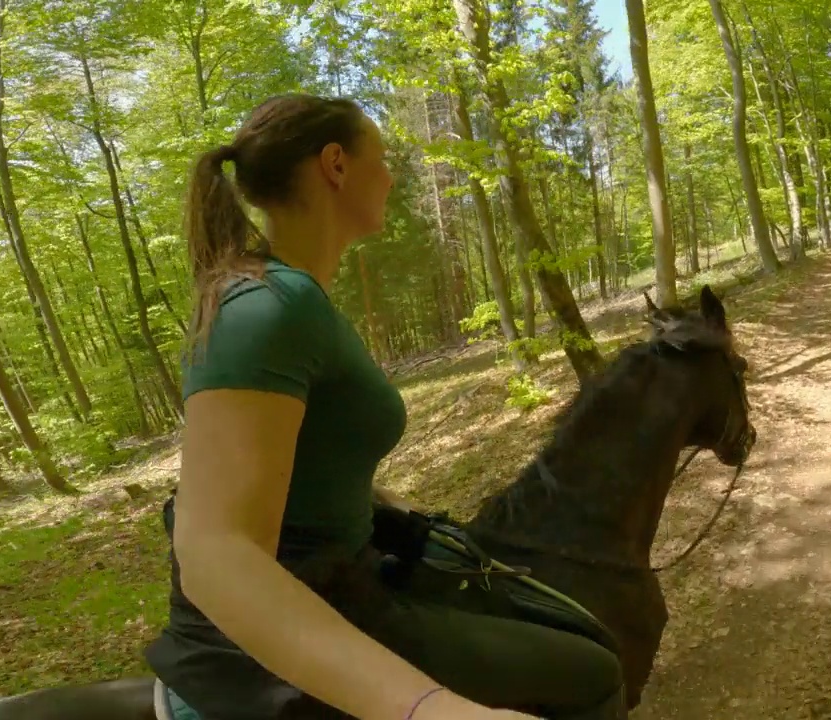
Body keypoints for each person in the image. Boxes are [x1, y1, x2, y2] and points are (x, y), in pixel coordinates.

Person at [143, 93, 625, 720]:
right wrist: (428, 709)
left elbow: (305, 464)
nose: (393, 175)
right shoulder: (264, 307)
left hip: (356, 581)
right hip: (271, 644)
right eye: (385, 157)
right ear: (336, 165)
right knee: (591, 676)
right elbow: (213, 553)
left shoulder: (291, 296)